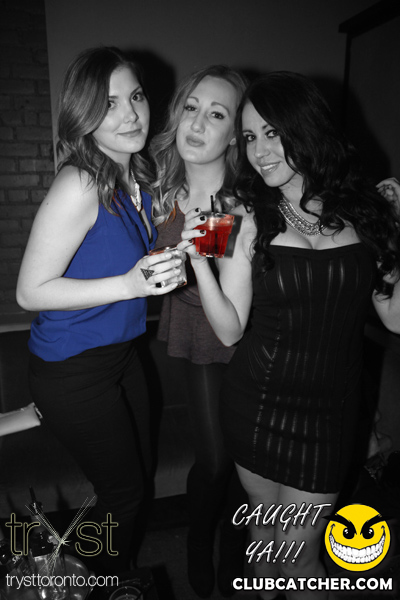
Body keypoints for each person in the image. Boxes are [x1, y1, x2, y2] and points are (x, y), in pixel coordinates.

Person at [179, 72, 400, 599]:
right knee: (264, 537)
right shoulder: (243, 213)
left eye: (272, 133)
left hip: (328, 416)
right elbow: (229, 330)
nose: (259, 151)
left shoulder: (368, 210)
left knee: (300, 556)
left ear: (307, 128)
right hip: (256, 405)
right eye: (250, 136)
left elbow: (395, 318)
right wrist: (200, 262)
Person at [16, 46, 183, 575]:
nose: (130, 114)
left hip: (121, 356)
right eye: (109, 103)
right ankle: (87, 580)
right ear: (83, 113)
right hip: (72, 369)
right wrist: (129, 284)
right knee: (125, 494)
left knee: (140, 472)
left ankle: (105, 570)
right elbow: (29, 292)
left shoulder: (137, 178)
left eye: (136, 97)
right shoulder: (80, 182)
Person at [150, 65, 248, 597]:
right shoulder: (159, 192)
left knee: (239, 460)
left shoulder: (241, 200)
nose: (197, 123)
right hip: (195, 331)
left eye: (216, 114)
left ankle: (231, 547)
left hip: (251, 338)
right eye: (191, 108)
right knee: (214, 459)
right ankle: (197, 540)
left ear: (234, 134)